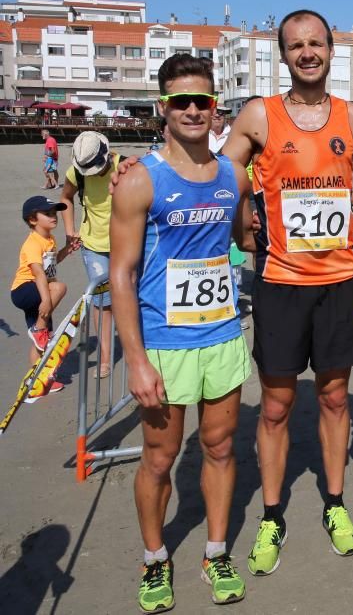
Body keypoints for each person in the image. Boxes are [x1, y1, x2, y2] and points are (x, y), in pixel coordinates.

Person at [221, 10, 353, 572]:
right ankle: (272, 515)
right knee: (277, 406)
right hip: (280, 281)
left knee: (334, 398)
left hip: (339, 281)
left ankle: (334, 502)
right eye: (295, 45)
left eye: (316, 43)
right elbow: (220, 172)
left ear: (331, 50)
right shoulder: (260, 114)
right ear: (282, 55)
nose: (307, 53)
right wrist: (239, 226)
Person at [110, 53, 253, 612]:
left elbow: (244, 235)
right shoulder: (141, 180)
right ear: (163, 109)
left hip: (220, 338)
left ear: (215, 107)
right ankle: (154, 560)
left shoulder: (233, 175)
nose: (193, 110)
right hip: (164, 345)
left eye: (203, 100)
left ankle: (216, 552)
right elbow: (120, 275)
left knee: (219, 448)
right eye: (181, 102)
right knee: (159, 459)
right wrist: (137, 360)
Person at [60, 131, 121, 378]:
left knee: (134, 295)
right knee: (102, 302)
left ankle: (143, 348)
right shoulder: (75, 173)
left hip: (126, 244)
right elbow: (65, 198)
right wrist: (69, 231)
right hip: (93, 244)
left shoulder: (124, 166)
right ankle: (106, 358)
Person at [10, 196, 77, 400]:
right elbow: (39, 273)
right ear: (32, 219)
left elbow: (51, 264)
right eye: (47, 214)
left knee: (42, 343)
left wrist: (67, 250)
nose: (53, 217)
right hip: (24, 290)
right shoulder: (33, 243)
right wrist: (46, 300)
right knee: (59, 287)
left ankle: (37, 380)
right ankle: (38, 328)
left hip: (38, 290)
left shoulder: (49, 240)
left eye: (54, 213)